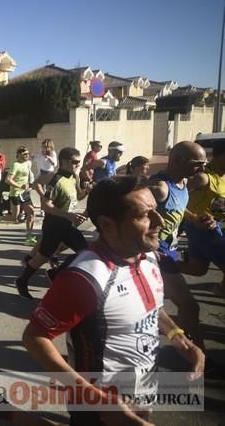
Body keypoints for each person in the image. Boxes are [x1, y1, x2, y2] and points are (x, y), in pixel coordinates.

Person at [22, 176, 205, 425]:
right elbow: (34, 337)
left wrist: (180, 340)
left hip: (143, 391)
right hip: (100, 406)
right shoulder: (85, 278)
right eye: (144, 215)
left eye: (157, 211)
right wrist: (95, 399)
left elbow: (151, 308)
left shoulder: (148, 256)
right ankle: (8, 411)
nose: (159, 221)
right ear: (107, 225)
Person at [149, 141, 208, 350]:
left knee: (154, 305)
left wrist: (193, 218)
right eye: (197, 164)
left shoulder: (183, 182)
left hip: (169, 251)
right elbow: (125, 210)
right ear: (176, 161)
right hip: (157, 254)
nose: (201, 170)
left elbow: (178, 209)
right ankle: (197, 354)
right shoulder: (160, 188)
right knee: (190, 306)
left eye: (204, 164)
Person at [15, 147, 90, 299]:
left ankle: (55, 273)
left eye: (79, 162)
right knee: (42, 257)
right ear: (63, 162)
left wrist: (87, 190)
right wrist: (68, 215)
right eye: (74, 162)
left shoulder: (74, 177)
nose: (77, 165)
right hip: (54, 224)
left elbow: (79, 196)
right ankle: (22, 281)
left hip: (67, 224)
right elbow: (45, 205)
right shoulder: (56, 180)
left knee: (85, 252)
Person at [183, 139, 225, 294]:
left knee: (197, 269)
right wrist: (193, 218)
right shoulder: (203, 177)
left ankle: (159, 265)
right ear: (220, 156)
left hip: (216, 227)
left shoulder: (222, 176)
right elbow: (175, 198)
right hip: (201, 229)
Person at [6, 146, 36, 245]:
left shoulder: (28, 163)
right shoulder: (15, 165)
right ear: (18, 155)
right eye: (24, 154)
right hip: (15, 193)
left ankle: (29, 237)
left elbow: (29, 174)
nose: (26, 156)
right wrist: (20, 186)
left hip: (25, 193)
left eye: (27, 154)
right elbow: (8, 180)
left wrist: (30, 184)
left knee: (31, 213)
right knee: (15, 218)